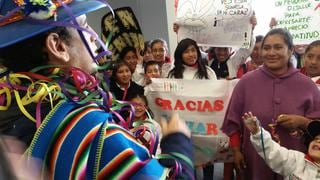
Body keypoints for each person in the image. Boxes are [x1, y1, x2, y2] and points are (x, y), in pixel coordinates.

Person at [0, 0, 194, 179]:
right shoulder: (91, 131)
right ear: (58, 46)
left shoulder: (13, 116)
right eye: (84, 26)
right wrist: (178, 143)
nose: (93, 37)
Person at [221, 28, 320, 180]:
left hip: (297, 165)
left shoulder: (308, 86)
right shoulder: (246, 82)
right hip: (254, 158)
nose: (271, 52)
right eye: (266, 48)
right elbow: (232, 121)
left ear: (290, 50)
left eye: (278, 47)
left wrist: (302, 122)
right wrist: (236, 151)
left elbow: (318, 126)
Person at [243, 112, 320, 180]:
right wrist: (257, 133)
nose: (318, 141)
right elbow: (273, 152)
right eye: (316, 138)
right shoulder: (296, 160)